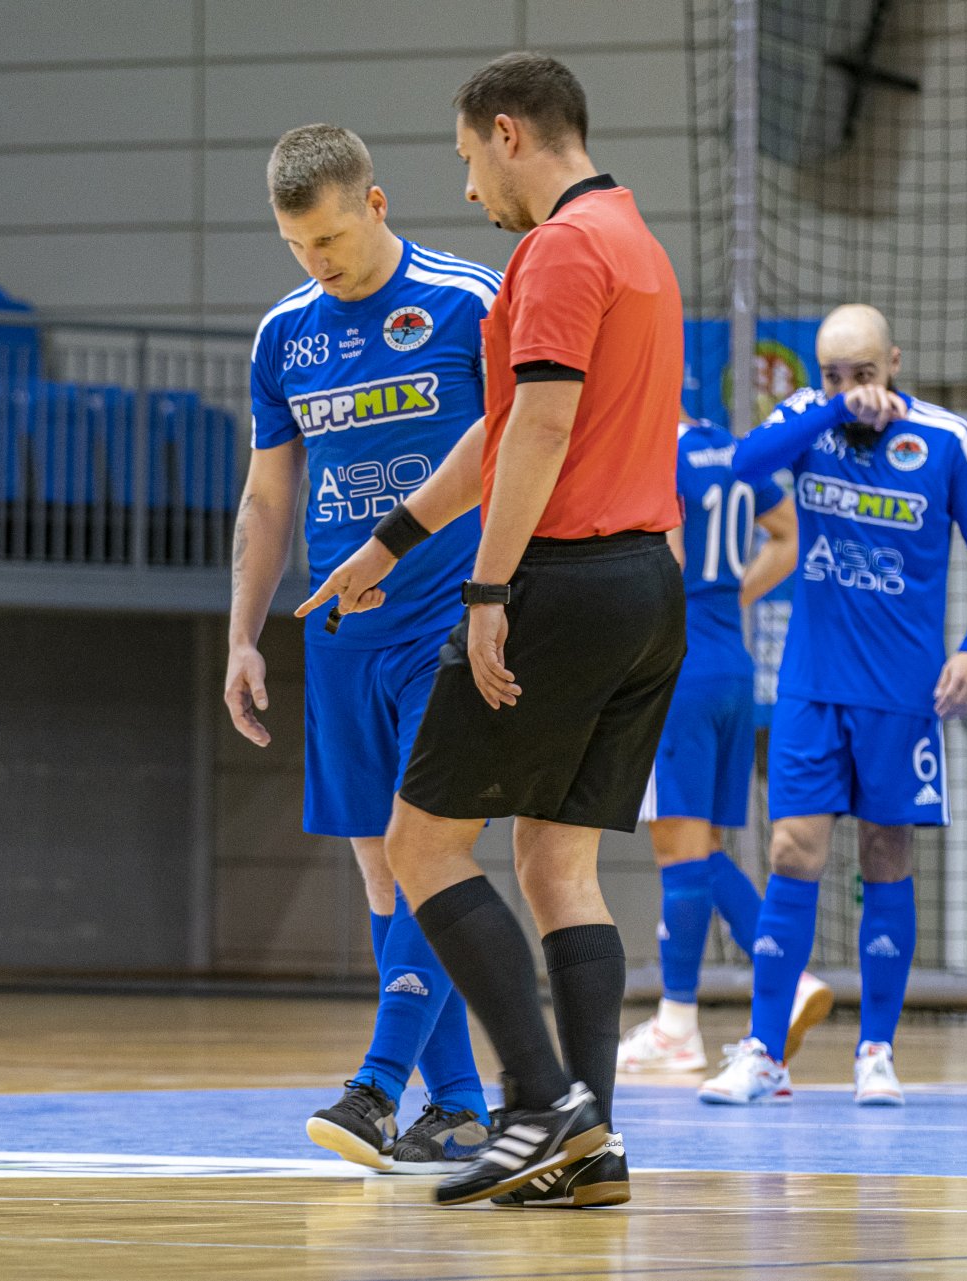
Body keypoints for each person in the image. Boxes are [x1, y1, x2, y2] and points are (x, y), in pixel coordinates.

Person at [300, 52, 685, 1207]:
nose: (470, 189)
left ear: (509, 133)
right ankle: (591, 1145)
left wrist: (485, 593)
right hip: (644, 591)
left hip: (561, 585)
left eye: (469, 159)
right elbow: (508, 426)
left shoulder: (559, 248)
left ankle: (536, 1099)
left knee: (420, 847)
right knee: (560, 865)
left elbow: (541, 434)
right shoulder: (637, 240)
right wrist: (392, 541)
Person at [229, 123, 494, 1172]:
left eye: (332, 239)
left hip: (447, 621)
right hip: (338, 634)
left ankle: (377, 1090)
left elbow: (513, 449)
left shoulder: (469, 302)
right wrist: (243, 636)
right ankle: (464, 1105)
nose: (318, 263)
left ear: (375, 206)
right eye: (298, 246)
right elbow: (269, 493)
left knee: (433, 854)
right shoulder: (285, 333)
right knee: (385, 875)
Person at [699, 304, 967, 1107]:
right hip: (811, 684)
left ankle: (876, 1049)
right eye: (834, 374)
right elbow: (742, 463)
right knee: (792, 851)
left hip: (902, 695)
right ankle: (766, 1051)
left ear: (894, 363)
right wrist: (830, 406)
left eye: (863, 374)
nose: (851, 389)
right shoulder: (809, 419)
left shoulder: (947, 440)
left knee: (885, 858)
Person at [617, 414, 830, 1073]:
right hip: (731, 664)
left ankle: (711, 1009)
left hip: (678, 669)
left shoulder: (650, 447)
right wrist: (724, 597)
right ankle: (710, 1005)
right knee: (701, 848)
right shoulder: (727, 446)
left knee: (678, 850)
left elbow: (667, 556)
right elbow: (789, 537)